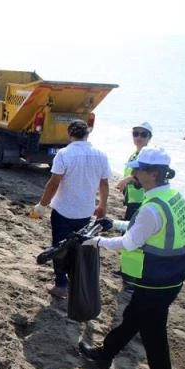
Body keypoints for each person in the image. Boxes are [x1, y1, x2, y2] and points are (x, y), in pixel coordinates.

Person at [78, 148, 185, 369]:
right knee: (138, 320)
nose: (133, 173)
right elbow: (147, 229)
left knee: (149, 329)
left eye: (138, 169)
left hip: (158, 278)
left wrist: (96, 241)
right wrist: (115, 223)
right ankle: (106, 354)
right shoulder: (171, 195)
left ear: (152, 173)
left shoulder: (152, 208)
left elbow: (130, 243)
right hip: (174, 274)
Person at [32, 120, 110, 298]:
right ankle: (76, 283)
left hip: (63, 210)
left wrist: (42, 205)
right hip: (85, 211)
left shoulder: (64, 154)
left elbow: (54, 183)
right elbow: (104, 183)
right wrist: (102, 205)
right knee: (80, 248)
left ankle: (61, 285)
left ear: (70, 134)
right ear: (87, 133)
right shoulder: (101, 154)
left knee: (60, 248)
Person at [116, 122, 153, 220]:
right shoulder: (135, 153)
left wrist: (127, 180)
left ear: (149, 137)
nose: (139, 137)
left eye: (143, 135)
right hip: (133, 199)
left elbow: (147, 178)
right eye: (136, 134)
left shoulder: (149, 156)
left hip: (141, 201)